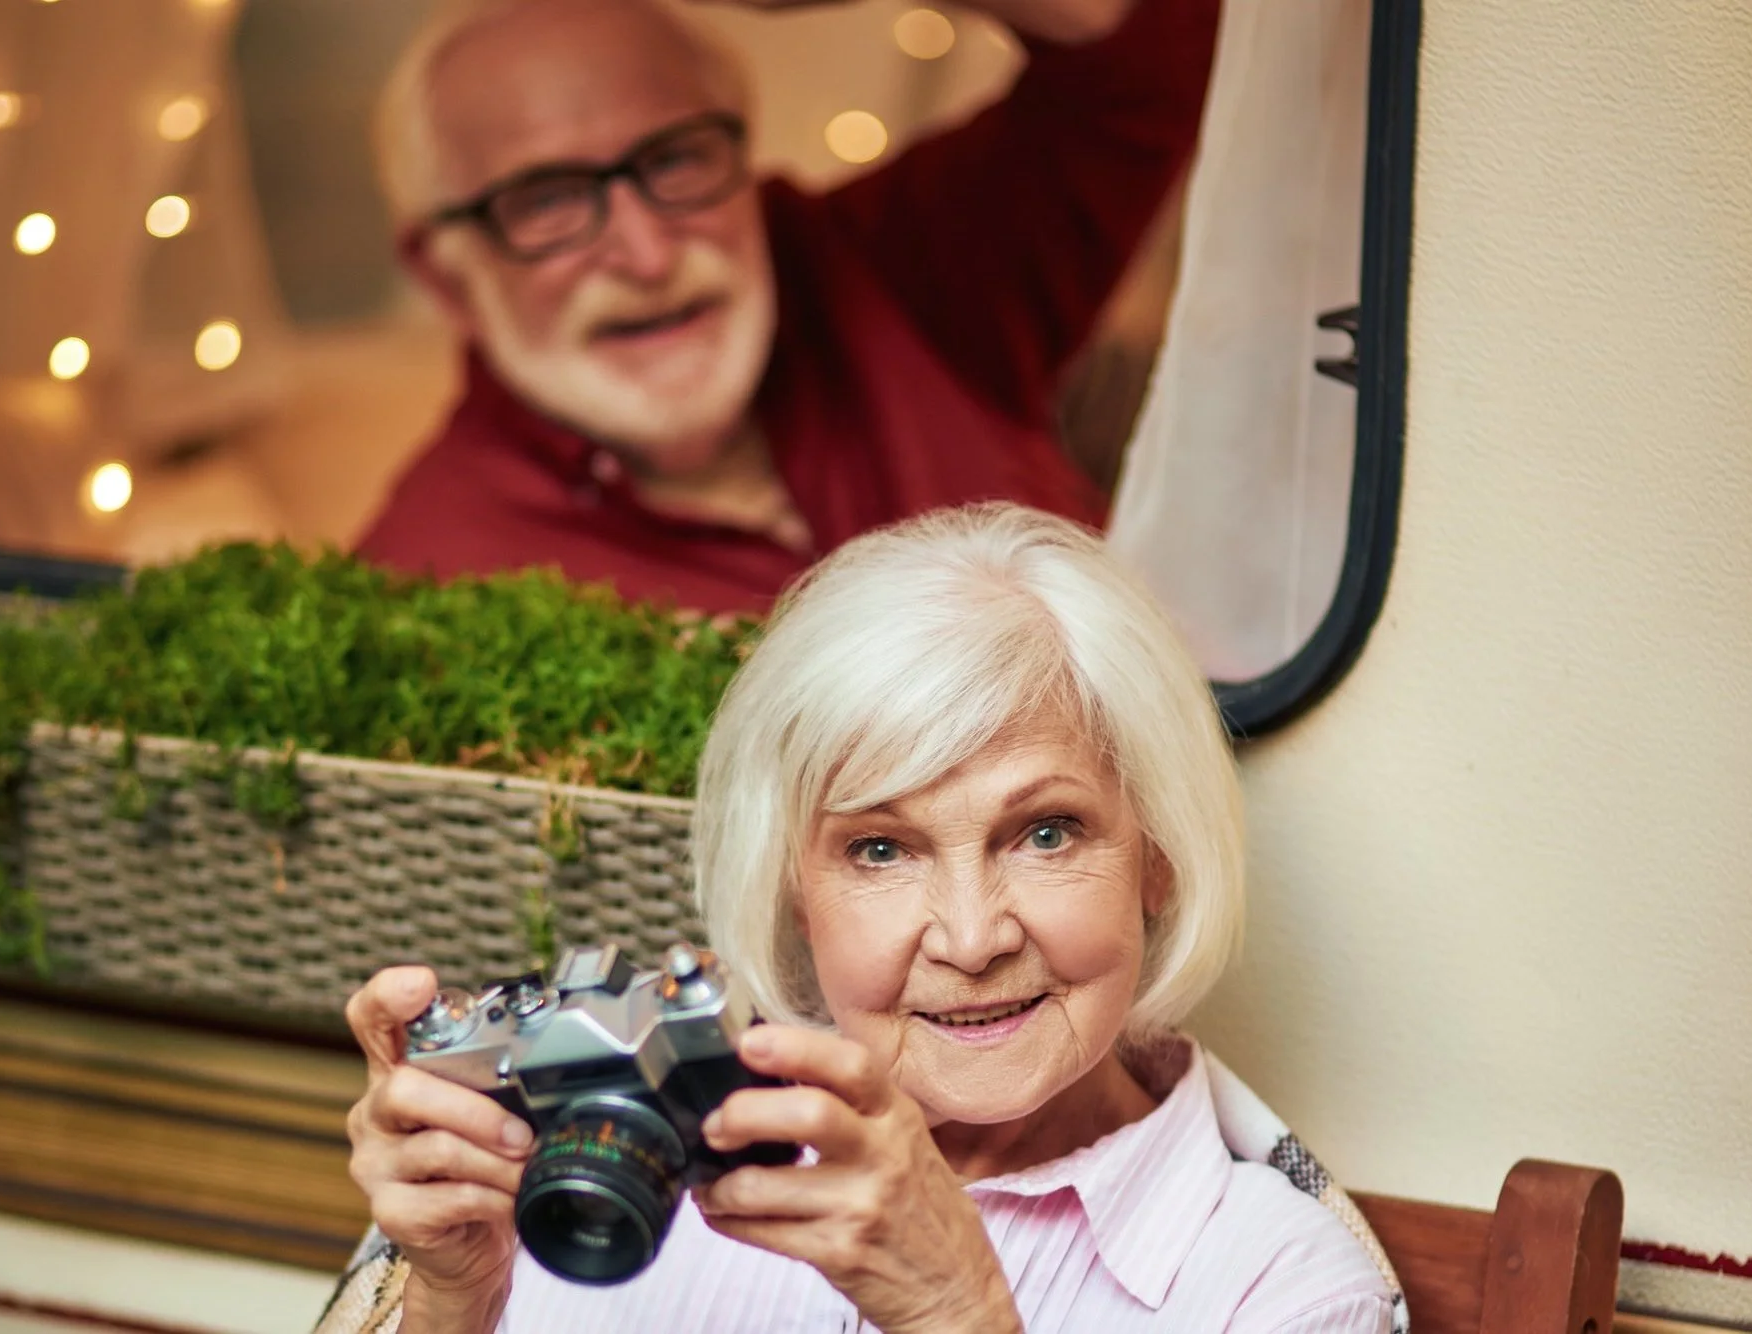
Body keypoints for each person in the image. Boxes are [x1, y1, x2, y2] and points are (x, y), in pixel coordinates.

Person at [328, 503, 1402, 1332]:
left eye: (1047, 833)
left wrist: (955, 1312)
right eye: (880, 849)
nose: (972, 939)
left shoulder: (1284, 1290)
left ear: (1155, 860)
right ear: (795, 889)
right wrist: (453, 1297)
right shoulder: (613, 1167)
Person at [353, 0, 1219, 614]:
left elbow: (1153, 61)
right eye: (546, 202)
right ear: (446, 279)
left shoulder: (887, 270)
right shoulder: (426, 584)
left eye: (676, 159)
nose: (647, 257)